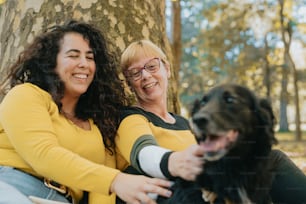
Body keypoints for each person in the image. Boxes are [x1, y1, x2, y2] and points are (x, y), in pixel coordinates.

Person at [0, 21, 172, 204]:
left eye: (90, 58)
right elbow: (43, 154)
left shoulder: (99, 126)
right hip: (14, 185)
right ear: (51, 62)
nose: (84, 64)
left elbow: (102, 194)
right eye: (73, 55)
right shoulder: (26, 95)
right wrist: (115, 180)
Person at [115, 39, 306, 203]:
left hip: (210, 188)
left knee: (269, 160)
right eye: (135, 73)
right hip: (172, 194)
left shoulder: (186, 123)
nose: (145, 75)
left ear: (167, 69)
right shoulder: (131, 118)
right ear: (130, 85)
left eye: (151, 66)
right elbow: (144, 153)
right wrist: (175, 161)